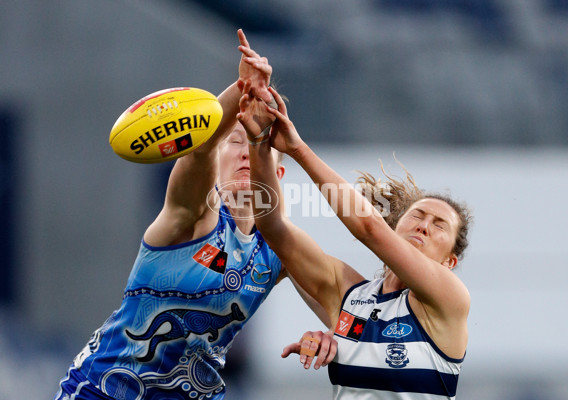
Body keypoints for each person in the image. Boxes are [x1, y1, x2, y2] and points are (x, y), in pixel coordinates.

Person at [54, 29, 324, 400]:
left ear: (277, 174)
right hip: (102, 392)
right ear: (218, 163)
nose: (246, 152)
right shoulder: (193, 215)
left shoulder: (279, 250)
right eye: (235, 142)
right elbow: (199, 148)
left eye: (256, 144)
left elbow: (342, 304)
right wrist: (243, 88)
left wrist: (329, 338)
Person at [237, 85, 473, 399]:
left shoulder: (450, 300)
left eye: (439, 225)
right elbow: (274, 228)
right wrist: (258, 144)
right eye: (417, 215)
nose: (425, 226)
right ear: (397, 226)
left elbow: (369, 228)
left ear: (449, 262)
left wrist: (298, 149)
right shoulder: (351, 297)